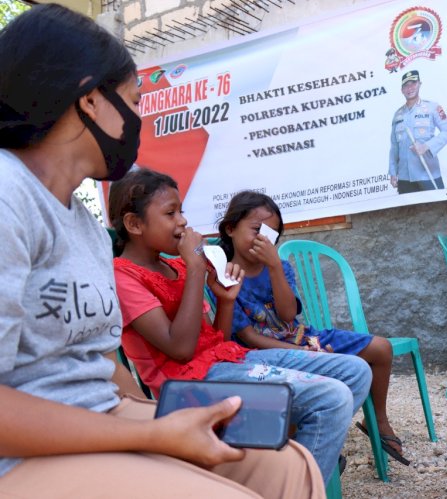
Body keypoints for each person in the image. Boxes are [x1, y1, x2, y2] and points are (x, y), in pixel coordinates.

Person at [0, 5, 324, 498]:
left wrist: (162, 417)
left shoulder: (81, 221)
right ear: (89, 99)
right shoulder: (8, 195)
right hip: (22, 450)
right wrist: (151, 434)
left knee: (285, 464)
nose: (138, 118)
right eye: (133, 101)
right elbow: (176, 347)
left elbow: (91, 360)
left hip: (99, 414)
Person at [109, 168, 372, 483]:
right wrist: (195, 270)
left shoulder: (177, 266)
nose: (182, 221)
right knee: (331, 398)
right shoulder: (124, 277)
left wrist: (226, 300)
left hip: (226, 360)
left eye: (181, 211)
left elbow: (214, 338)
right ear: (134, 224)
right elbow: (180, 350)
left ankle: (281, 468)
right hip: (187, 386)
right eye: (170, 213)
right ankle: (290, 482)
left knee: (356, 371)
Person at [215, 191, 408, 465]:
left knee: (381, 348)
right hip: (262, 353)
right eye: (257, 230)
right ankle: (314, 441)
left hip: (301, 336)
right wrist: (306, 354)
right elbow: (248, 337)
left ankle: (377, 419)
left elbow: (288, 314)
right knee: (323, 378)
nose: (264, 240)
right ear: (231, 228)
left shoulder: (279, 267)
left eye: (272, 234)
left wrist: (274, 268)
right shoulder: (224, 275)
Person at [388, 70, 447, 193]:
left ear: (419, 84)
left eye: (413, 83)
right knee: (409, 212)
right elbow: (394, 146)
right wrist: (393, 172)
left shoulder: (432, 107)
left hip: (428, 174)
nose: (410, 88)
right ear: (402, 90)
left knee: (437, 207)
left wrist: (426, 146)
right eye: (406, 85)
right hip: (404, 178)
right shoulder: (398, 115)